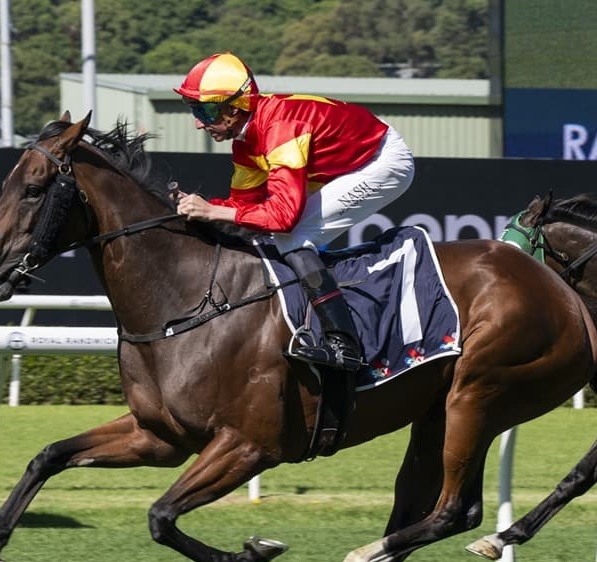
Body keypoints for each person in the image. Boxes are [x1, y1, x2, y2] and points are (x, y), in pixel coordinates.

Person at [172, 52, 415, 371]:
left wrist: (211, 211)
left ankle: (345, 344)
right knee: (272, 231)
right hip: (350, 158)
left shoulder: (280, 130)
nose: (198, 123)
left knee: (291, 236)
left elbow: (283, 217)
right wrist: (198, 207)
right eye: (194, 110)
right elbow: (243, 208)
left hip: (383, 162)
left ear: (234, 108)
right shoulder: (246, 142)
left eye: (204, 110)